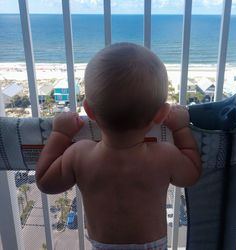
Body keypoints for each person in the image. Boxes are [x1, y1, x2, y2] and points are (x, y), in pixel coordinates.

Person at [36, 42, 201, 250]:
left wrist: (59, 134)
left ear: (90, 111)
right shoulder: (165, 156)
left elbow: (45, 182)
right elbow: (192, 174)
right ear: (161, 115)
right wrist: (181, 129)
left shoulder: (79, 155)